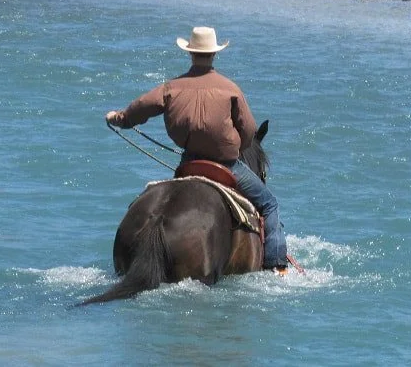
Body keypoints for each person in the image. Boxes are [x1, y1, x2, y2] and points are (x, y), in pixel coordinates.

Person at [106, 26, 289, 273]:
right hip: (227, 166)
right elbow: (248, 132)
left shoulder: (171, 87)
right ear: (214, 54)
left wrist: (119, 119)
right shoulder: (230, 89)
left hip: (188, 162)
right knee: (269, 205)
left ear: (190, 54)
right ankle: (277, 266)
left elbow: (140, 108)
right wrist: (236, 145)